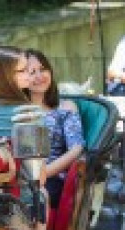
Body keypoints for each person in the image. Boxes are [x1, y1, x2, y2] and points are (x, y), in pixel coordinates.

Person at [26, 49, 85, 209]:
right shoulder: (18, 110)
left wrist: (45, 172)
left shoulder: (65, 107)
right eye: (32, 72)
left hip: (53, 177)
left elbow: (77, 148)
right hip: (20, 175)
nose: (40, 76)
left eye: (43, 69)